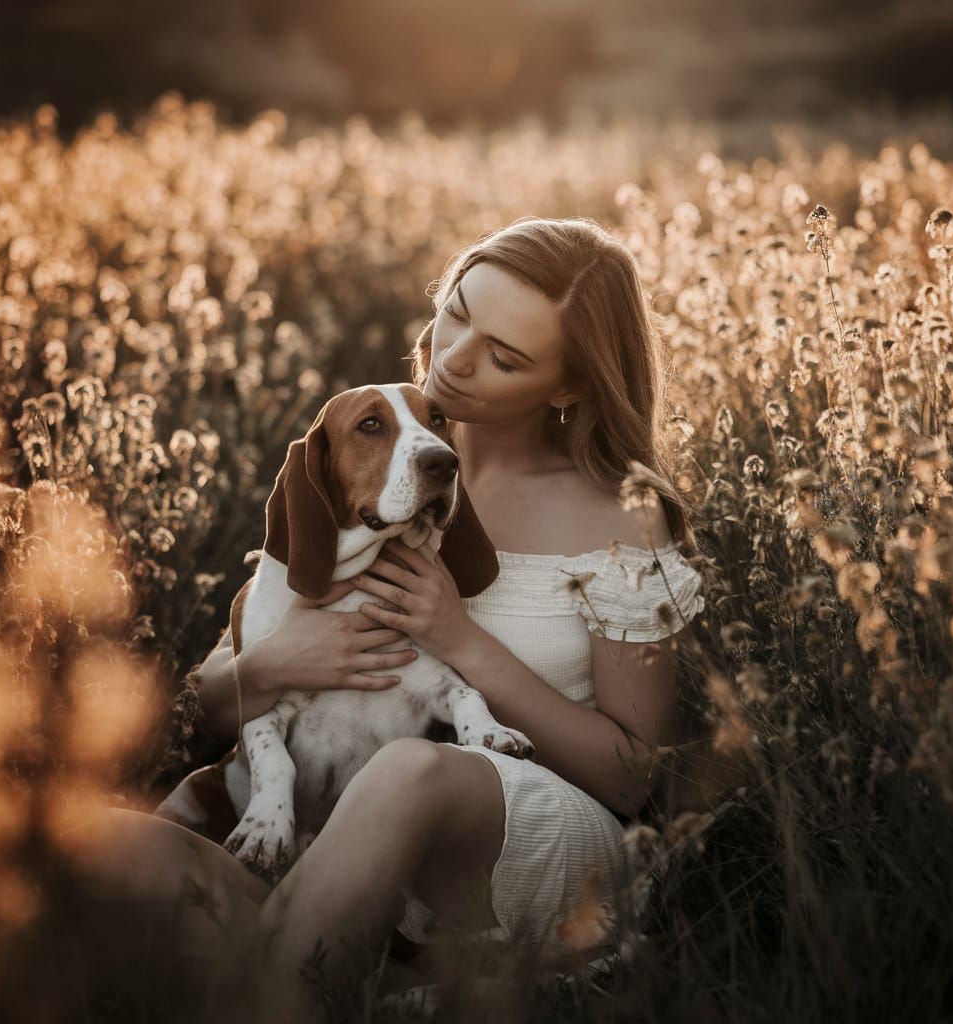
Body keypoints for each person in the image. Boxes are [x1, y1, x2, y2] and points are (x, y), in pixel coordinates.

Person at [81, 215, 706, 1013]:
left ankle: (289, 984)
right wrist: (278, 665)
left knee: (407, 771)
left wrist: (462, 642)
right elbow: (208, 703)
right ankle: (339, 972)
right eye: (457, 310)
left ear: (572, 385)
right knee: (98, 848)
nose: (453, 357)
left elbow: (635, 774)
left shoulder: (621, 516)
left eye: (503, 356)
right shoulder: (372, 440)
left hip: (521, 833)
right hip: (332, 825)